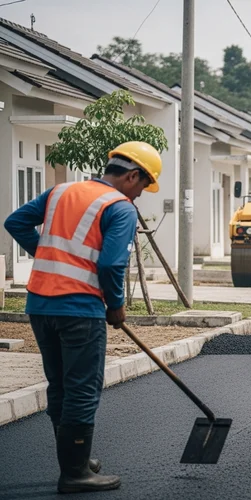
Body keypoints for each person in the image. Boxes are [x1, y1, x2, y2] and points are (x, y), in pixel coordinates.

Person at [3, 141, 162, 494]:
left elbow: (15, 222)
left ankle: (75, 460)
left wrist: (48, 255)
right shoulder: (120, 208)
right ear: (132, 176)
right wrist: (116, 304)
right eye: (142, 187)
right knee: (82, 389)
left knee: (60, 385)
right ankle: (75, 474)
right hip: (80, 308)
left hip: (40, 305)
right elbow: (110, 264)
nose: (139, 195)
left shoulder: (61, 191)